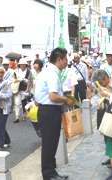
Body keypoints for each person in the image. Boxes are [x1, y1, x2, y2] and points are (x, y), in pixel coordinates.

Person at [35, 47, 74, 180]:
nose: (67, 62)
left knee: (52, 143)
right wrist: (66, 99)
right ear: (59, 59)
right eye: (65, 59)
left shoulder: (46, 72)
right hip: (49, 111)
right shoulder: (51, 74)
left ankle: (52, 172)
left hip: (47, 110)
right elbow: (53, 96)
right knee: (49, 143)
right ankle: (48, 174)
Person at [13, 58, 31, 123]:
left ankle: (24, 115)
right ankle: (16, 116)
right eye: (21, 65)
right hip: (17, 89)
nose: (22, 66)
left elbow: (29, 81)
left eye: (24, 65)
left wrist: (23, 80)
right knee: (16, 103)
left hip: (25, 89)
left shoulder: (29, 72)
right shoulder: (16, 71)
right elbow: (14, 79)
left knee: (24, 103)